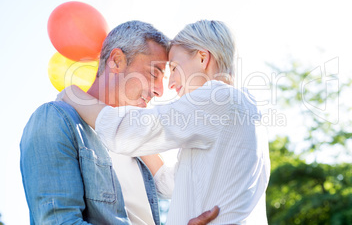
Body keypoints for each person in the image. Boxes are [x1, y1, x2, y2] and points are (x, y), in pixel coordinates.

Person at [62, 20, 270, 224]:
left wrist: (72, 94)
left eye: (175, 68)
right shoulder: (243, 113)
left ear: (202, 58)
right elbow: (172, 184)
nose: (170, 84)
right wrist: (144, 141)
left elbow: (122, 132)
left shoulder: (216, 98)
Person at [20, 20, 219, 224]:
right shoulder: (55, 120)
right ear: (116, 60)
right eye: (154, 73)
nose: (160, 90)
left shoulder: (135, 146)